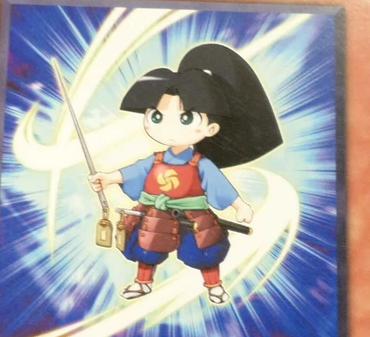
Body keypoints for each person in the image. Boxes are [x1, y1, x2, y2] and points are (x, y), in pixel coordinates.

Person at [88, 44, 282, 305]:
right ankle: (142, 282)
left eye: (186, 118)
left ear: (211, 128)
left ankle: (214, 285)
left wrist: (240, 206)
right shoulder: (156, 159)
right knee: (146, 244)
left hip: (193, 214)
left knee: (204, 248)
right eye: (157, 117)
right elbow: (134, 172)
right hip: (155, 212)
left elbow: (219, 185)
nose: (169, 127)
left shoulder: (201, 164)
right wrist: (109, 178)